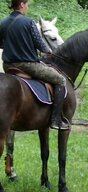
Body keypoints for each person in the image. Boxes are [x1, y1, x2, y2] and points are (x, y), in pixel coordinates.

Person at [0, 0, 69, 130]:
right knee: (60, 80)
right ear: (21, 4)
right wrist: (49, 51)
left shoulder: (3, 23)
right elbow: (41, 45)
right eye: (27, 5)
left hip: (8, 66)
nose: (27, 7)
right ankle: (56, 120)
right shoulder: (29, 22)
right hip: (27, 65)